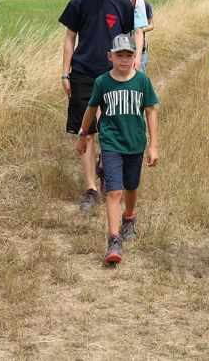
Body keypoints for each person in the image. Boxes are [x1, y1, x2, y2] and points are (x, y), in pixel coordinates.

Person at [59, 0, 135, 213]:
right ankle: (91, 188)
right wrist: (65, 73)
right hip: (82, 73)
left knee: (111, 129)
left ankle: (105, 168)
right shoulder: (79, 2)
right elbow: (70, 38)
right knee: (87, 131)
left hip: (113, 75)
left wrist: (129, 70)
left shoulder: (123, 5)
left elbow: (127, 39)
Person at [76, 33, 160, 265]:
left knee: (131, 187)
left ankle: (129, 217)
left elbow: (151, 111)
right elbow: (91, 109)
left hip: (135, 144)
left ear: (135, 57)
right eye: (119, 55)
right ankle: (114, 240)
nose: (124, 60)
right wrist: (83, 135)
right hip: (111, 144)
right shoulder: (102, 82)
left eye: (128, 55)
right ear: (110, 56)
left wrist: (153, 145)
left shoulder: (142, 81)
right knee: (115, 191)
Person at [129, 0, 153, 70]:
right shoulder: (125, 2)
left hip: (140, 48)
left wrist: (139, 29)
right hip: (127, 47)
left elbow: (151, 25)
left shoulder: (145, 5)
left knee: (139, 73)